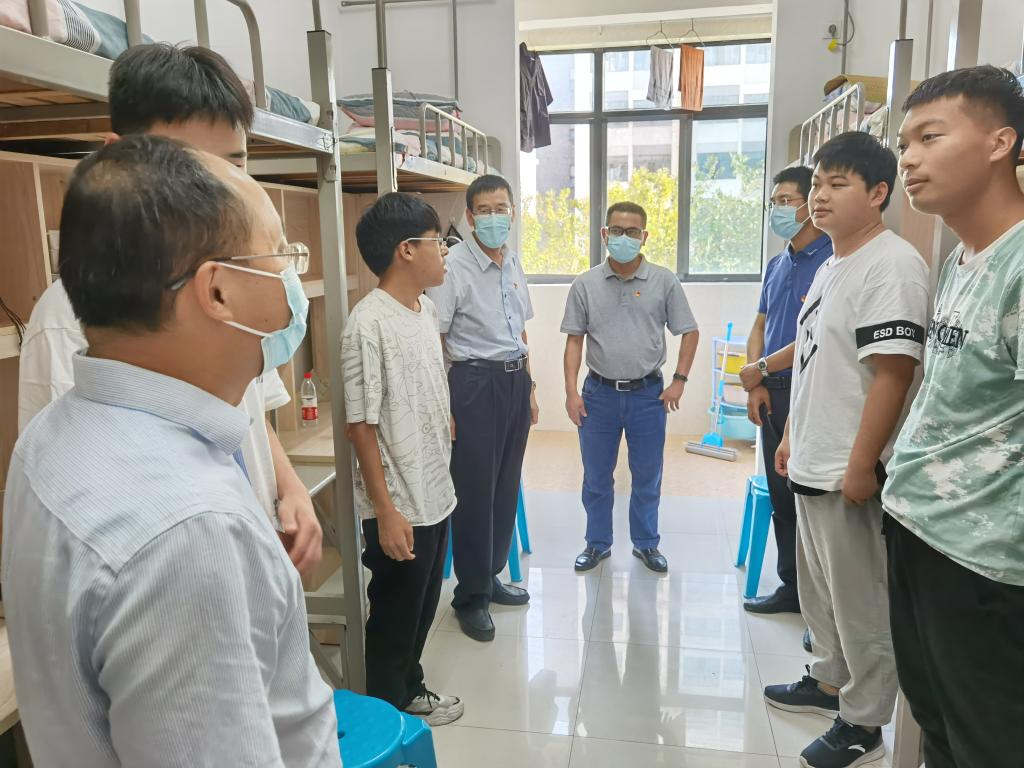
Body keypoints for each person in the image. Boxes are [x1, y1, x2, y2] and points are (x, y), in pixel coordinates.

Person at [1, 136, 339, 766]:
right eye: (280, 256)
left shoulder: (48, 438)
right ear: (218, 291)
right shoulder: (189, 532)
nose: (291, 281)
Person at [15, 43, 321, 575]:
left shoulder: (240, 290)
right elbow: (75, 495)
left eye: (235, 165)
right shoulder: (66, 322)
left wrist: (288, 485)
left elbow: (244, 411)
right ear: (118, 159)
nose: (220, 191)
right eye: (187, 165)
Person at [764, 131, 929, 768]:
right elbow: (814, 361)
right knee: (820, 592)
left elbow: (893, 372)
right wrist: (790, 438)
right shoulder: (833, 264)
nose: (819, 197)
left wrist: (863, 464)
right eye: (817, 185)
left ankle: (863, 725)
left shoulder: (892, 265)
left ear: (879, 192)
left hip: (848, 469)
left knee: (860, 602)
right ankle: (829, 681)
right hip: (812, 456)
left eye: (838, 184)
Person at [883, 65, 1024, 768]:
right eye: (903, 144)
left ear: (1001, 142)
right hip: (923, 530)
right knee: (937, 727)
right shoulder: (962, 260)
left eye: (930, 137)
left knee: (986, 744)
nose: (909, 159)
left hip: (987, 560)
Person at [342, 192, 463, 726]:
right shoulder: (367, 324)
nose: (446, 251)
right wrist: (385, 511)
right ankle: (387, 715)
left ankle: (410, 689)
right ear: (406, 250)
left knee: (422, 603)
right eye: (438, 241)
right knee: (395, 611)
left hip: (434, 488)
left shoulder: (425, 309)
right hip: (399, 503)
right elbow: (360, 425)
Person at [425, 174, 539, 642]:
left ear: (513, 213)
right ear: (470, 217)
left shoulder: (512, 260)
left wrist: (530, 387)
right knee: (474, 491)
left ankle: (490, 577)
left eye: (502, 208)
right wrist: (446, 405)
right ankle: (470, 597)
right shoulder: (453, 266)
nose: (495, 217)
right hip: (473, 383)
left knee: (505, 485)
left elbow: (520, 330)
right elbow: (436, 337)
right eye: (485, 210)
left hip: (514, 380)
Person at [561, 201, 699, 573]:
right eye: (617, 231)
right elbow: (574, 341)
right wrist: (571, 392)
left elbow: (689, 331)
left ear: (644, 236)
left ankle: (646, 543)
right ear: (605, 234)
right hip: (598, 395)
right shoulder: (585, 284)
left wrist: (679, 381)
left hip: (648, 396)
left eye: (632, 231)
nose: (624, 237)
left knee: (647, 476)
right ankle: (597, 544)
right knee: (596, 477)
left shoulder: (664, 281)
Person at [741, 167, 832, 654]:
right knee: (781, 495)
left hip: (809, 387)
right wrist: (757, 382)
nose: (778, 208)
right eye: (773, 200)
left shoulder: (832, 259)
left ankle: (822, 608)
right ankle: (792, 588)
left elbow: (813, 337)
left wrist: (758, 367)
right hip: (772, 390)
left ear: (809, 202)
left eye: (786, 200)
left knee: (810, 500)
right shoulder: (778, 263)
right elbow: (761, 323)